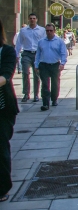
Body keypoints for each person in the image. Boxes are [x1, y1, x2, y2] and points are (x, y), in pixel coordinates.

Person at [0, 18, 19, 203]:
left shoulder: (6, 51)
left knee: (0, 147)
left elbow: (6, 74)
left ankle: (2, 187)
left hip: (3, 108)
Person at [35, 24, 67, 111]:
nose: (49, 32)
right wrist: (36, 65)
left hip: (55, 65)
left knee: (55, 83)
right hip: (44, 65)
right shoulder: (41, 41)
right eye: (47, 30)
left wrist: (62, 63)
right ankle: (45, 103)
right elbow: (38, 54)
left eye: (51, 30)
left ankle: (54, 98)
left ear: (54, 31)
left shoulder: (59, 41)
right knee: (45, 84)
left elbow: (63, 53)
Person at [14, 14, 45, 103]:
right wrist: (16, 55)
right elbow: (19, 43)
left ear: (36, 19)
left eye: (34, 18)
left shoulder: (41, 30)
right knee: (26, 73)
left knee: (36, 75)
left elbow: (43, 42)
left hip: (37, 54)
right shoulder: (23, 31)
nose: (32, 20)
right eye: (30, 18)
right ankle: (26, 94)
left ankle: (36, 94)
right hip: (26, 53)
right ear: (28, 19)